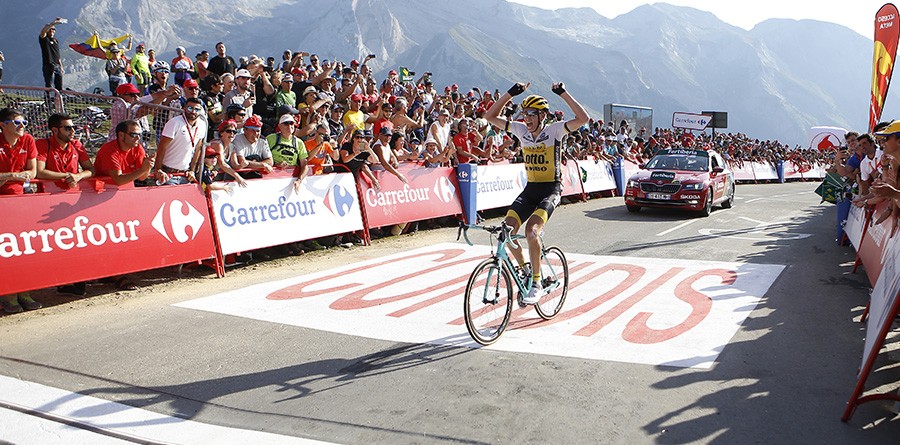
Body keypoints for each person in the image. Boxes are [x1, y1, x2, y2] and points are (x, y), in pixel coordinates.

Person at [485, 82, 588, 303]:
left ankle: (537, 282)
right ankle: (525, 269)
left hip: (550, 189)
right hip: (530, 189)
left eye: (531, 114)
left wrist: (563, 93)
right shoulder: (521, 130)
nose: (526, 118)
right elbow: (490, 116)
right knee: (506, 233)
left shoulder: (555, 130)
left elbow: (583, 119)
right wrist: (511, 93)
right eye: (524, 114)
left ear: (543, 116)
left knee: (532, 231)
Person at [153, 97, 207, 185]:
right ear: (184, 108)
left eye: (197, 109)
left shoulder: (202, 125)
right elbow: (162, 146)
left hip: (185, 174)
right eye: (190, 108)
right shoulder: (174, 123)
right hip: (168, 172)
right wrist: (158, 169)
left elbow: (197, 149)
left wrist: (192, 170)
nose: (193, 111)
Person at [35, 113, 94, 188]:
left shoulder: (76, 144)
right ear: (55, 130)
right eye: (68, 128)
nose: (73, 131)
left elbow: (91, 170)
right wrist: (68, 176)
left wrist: (79, 176)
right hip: (49, 192)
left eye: (74, 127)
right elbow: (39, 172)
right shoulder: (43, 144)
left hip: (72, 191)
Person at [93, 119, 153, 186]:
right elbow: (119, 180)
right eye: (133, 134)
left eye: (140, 135)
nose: (138, 138)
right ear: (121, 135)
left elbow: (142, 177)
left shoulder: (138, 148)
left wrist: (147, 167)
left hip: (124, 186)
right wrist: (142, 170)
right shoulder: (109, 150)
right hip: (102, 187)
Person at [39, 18, 65, 90]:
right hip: (48, 65)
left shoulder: (56, 41)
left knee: (59, 85)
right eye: (50, 29)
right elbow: (42, 32)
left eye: (53, 29)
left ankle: (58, 99)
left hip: (57, 66)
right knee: (49, 85)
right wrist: (53, 23)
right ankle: (48, 99)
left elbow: (57, 55)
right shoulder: (44, 39)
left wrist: (61, 66)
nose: (52, 31)